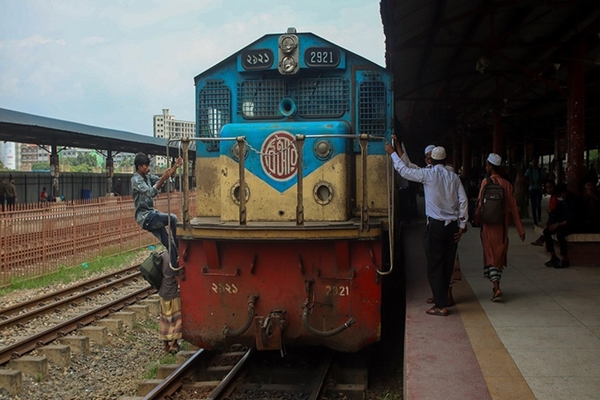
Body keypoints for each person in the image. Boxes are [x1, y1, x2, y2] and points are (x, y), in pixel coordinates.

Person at [385, 142, 468, 317]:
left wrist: (392, 153)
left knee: (434, 265)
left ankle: (440, 305)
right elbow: (463, 201)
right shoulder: (454, 177)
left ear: (432, 160)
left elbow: (405, 171)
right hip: (452, 226)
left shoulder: (428, 175)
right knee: (447, 264)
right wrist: (462, 225)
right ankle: (441, 298)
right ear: (445, 160)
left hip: (436, 226)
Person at [474, 154, 525, 302]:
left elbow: (480, 205)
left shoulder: (485, 182)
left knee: (490, 255)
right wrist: (520, 230)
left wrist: (476, 219)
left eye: (487, 165)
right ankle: (496, 285)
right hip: (501, 227)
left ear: (490, 166)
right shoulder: (507, 185)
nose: (486, 167)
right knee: (498, 256)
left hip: (487, 226)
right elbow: (514, 209)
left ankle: (496, 287)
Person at [132, 153, 183, 270]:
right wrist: (163, 178)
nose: (148, 168)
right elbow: (151, 192)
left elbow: (164, 179)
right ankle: (181, 248)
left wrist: (175, 166)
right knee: (173, 218)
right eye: (146, 166)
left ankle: (176, 272)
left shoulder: (147, 177)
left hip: (151, 214)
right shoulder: (136, 180)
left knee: (169, 245)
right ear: (139, 167)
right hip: (145, 217)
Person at [542, 183, 577, 268]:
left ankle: (565, 258)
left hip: (572, 224)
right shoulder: (562, 201)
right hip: (561, 222)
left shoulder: (573, 200)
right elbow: (557, 212)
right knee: (547, 231)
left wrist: (558, 225)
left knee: (560, 235)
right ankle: (553, 256)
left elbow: (571, 219)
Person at [157, 250, 182, 354]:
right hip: (173, 293)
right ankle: (174, 344)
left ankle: (166, 346)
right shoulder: (175, 259)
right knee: (177, 319)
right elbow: (178, 278)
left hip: (163, 293)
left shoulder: (163, 256)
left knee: (165, 320)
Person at [531, 180, 558, 246]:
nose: (549, 190)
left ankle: (541, 240)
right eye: (547, 188)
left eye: (550, 187)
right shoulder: (552, 196)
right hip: (553, 216)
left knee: (548, 230)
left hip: (557, 218)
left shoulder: (556, 196)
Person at [524, 158, 546, 227]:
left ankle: (538, 219)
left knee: (538, 205)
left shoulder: (540, 170)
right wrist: (529, 182)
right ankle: (535, 221)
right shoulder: (529, 170)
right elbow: (525, 177)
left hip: (538, 189)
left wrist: (541, 182)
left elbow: (545, 177)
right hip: (532, 189)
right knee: (533, 205)